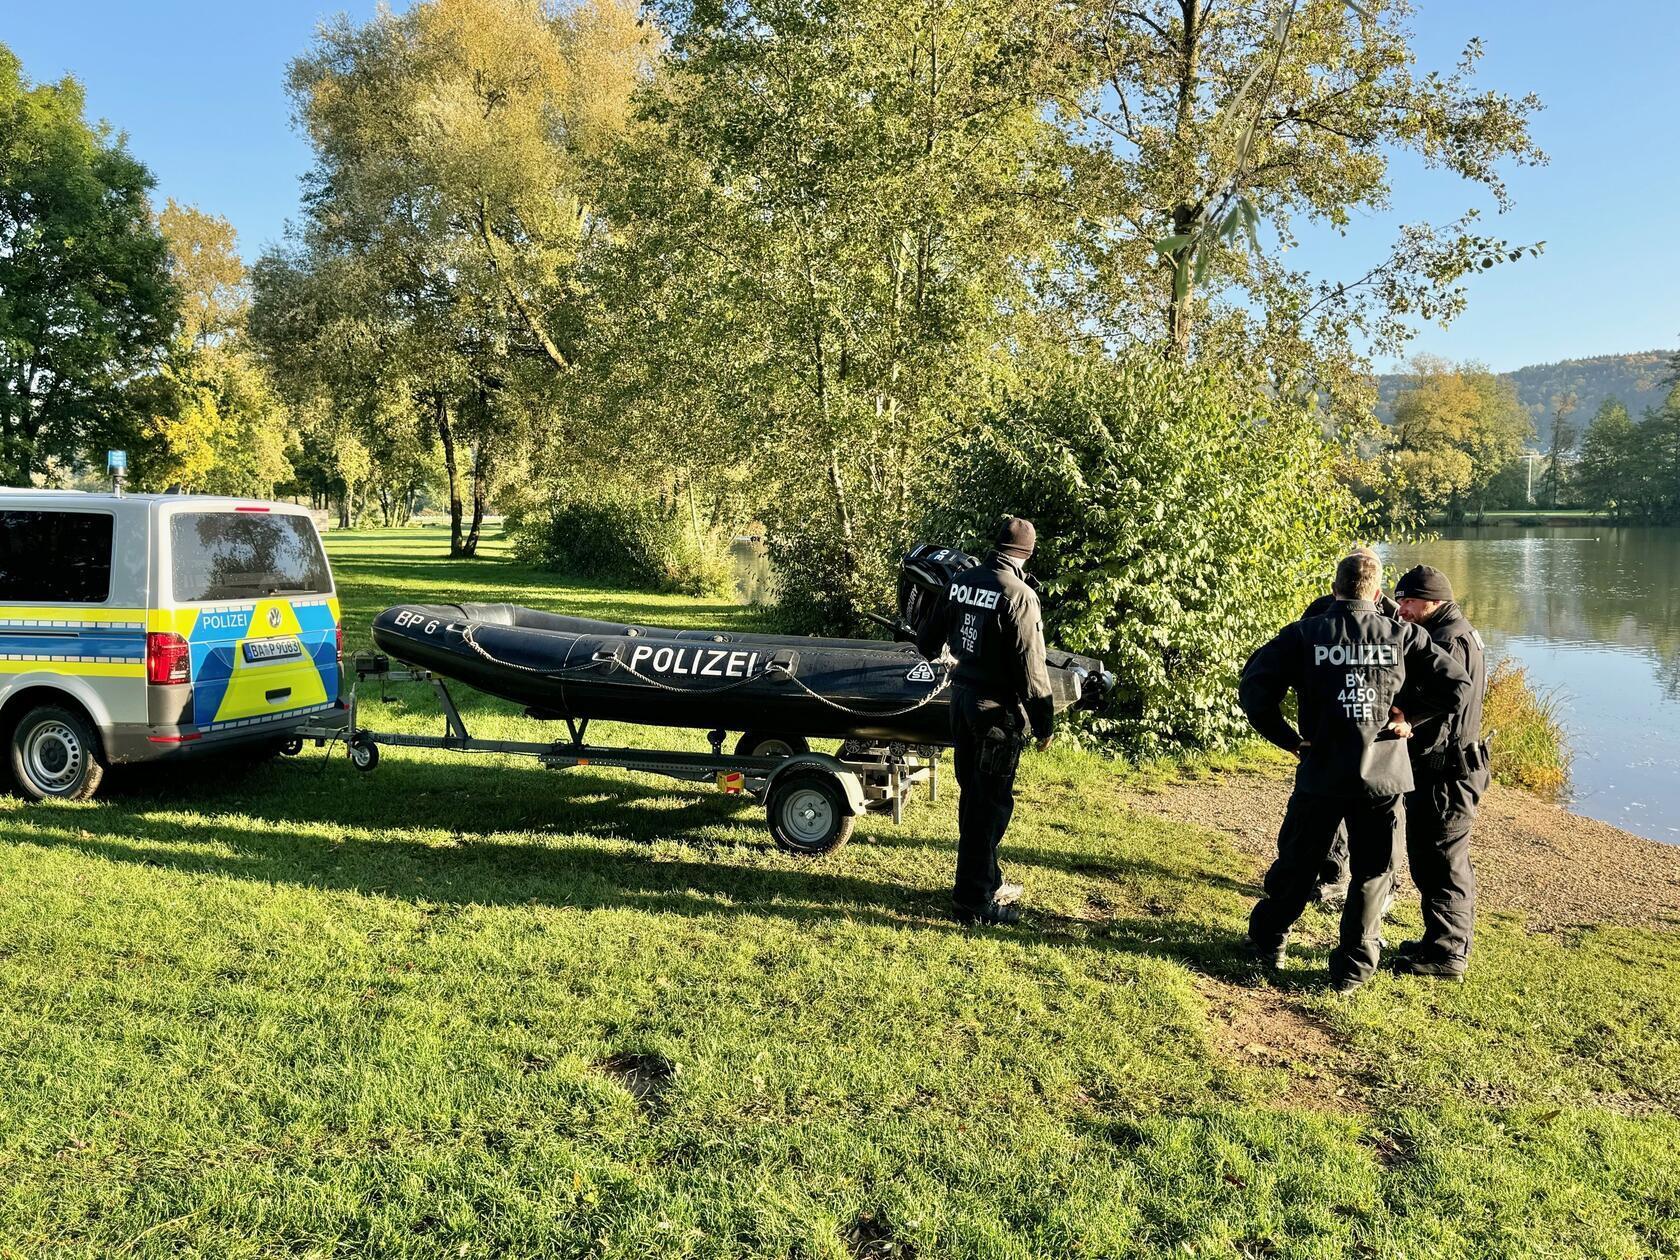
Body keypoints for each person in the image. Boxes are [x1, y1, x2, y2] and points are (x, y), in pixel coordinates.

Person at [1238, 552, 1471, 993]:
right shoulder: (1403, 635)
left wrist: (1287, 738)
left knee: (1298, 862)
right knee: (1374, 871)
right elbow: (1458, 685)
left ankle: (1267, 942)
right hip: (1383, 779)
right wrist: (1412, 717)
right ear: (1379, 594)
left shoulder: (1306, 633)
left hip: (1322, 772)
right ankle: (1353, 969)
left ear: (1335, 590)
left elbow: (1253, 689)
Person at [916, 516, 1055, 925]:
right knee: (989, 805)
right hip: (996, 714)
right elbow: (1033, 670)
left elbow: (926, 641)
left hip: (960, 702)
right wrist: (1044, 723)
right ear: (1026, 555)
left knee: (972, 796)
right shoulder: (1021, 595)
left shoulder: (960, 581)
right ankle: (974, 901)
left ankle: (984, 880)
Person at [1390, 565, 1490, 980]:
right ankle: (1439, 940)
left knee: (1441, 862)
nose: (1402, 610)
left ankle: (1447, 955)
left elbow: (1448, 703)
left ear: (1434, 601)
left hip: (1447, 772)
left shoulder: (1445, 641)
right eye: (1399, 601)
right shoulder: (1459, 631)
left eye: (1409, 602)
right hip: (1456, 767)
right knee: (1437, 859)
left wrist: (1407, 716)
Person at [1293, 547, 1401, 906]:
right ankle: (1335, 875)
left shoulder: (1393, 619)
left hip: (1357, 748)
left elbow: (1258, 682)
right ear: (1374, 588)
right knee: (1350, 835)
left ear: (1336, 584)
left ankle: (1271, 935)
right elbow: (1451, 682)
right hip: (1360, 750)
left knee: (1365, 843)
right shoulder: (1320, 614)